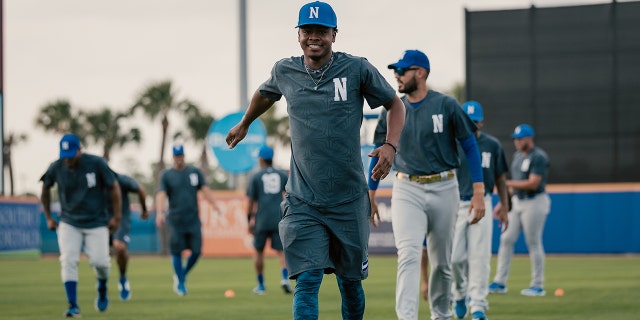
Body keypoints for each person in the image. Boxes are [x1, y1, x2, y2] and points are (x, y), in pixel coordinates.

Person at [225, 2, 406, 318]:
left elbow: (395, 104)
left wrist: (390, 145)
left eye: (321, 31)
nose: (314, 37)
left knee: (350, 285)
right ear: (298, 35)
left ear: (334, 34)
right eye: (307, 31)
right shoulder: (285, 70)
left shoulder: (356, 69)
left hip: (349, 201)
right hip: (303, 201)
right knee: (307, 280)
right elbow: (265, 94)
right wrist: (245, 122)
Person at [372, 49, 486, 320]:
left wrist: (479, 191)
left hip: (445, 186)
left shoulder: (446, 104)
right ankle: (407, 317)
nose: (397, 75)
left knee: (442, 264)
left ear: (420, 73)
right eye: (395, 71)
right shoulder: (392, 109)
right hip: (406, 187)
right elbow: (379, 154)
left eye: (402, 70)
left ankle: (440, 315)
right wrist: (371, 192)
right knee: (409, 255)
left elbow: (470, 145)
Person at [40, 133, 122, 317]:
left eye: (71, 154)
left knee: (100, 262)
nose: (68, 160)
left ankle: (102, 288)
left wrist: (116, 217)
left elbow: (114, 187)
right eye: (65, 155)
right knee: (68, 260)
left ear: (80, 150)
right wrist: (48, 217)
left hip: (97, 222)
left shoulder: (96, 163)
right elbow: (45, 188)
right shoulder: (57, 166)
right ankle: (73, 305)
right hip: (69, 222)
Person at [449, 101, 510, 320]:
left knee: (480, 257)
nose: (472, 126)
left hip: (483, 202)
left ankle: (478, 306)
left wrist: (504, 205)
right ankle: (458, 294)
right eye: (468, 121)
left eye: (475, 122)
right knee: (455, 258)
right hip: (456, 202)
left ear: (481, 122)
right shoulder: (452, 143)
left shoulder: (492, 145)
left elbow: (501, 177)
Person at [489, 124, 551, 297]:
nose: (517, 141)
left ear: (530, 138)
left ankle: (537, 285)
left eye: (520, 138)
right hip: (517, 201)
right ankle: (500, 282)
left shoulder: (538, 156)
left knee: (533, 241)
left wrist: (507, 184)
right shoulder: (517, 156)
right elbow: (514, 185)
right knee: (506, 238)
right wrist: (503, 203)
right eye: (515, 138)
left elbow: (533, 183)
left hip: (534, 201)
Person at [155, 144, 220, 296]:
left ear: (184, 155)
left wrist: (214, 205)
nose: (179, 159)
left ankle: (181, 274)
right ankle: (181, 283)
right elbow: (161, 194)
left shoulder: (194, 172)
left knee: (197, 251)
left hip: (193, 218)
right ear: (173, 157)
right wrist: (159, 212)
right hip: (175, 219)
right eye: (177, 156)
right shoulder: (167, 175)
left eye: (181, 155)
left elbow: (204, 190)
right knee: (176, 251)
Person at [246, 145, 291, 295]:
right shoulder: (282, 174)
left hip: (262, 219)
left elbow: (251, 202)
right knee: (281, 251)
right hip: (278, 217)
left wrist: (249, 220)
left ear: (261, 159)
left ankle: (261, 285)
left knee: (258, 251)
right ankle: (285, 279)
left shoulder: (256, 176)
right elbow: (289, 195)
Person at [109, 172, 149, 301]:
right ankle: (102, 285)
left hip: (121, 219)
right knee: (99, 258)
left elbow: (140, 190)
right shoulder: (93, 180)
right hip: (100, 219)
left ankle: (122, 278)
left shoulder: (120, 179)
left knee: (119, 248)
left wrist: (144, 209)